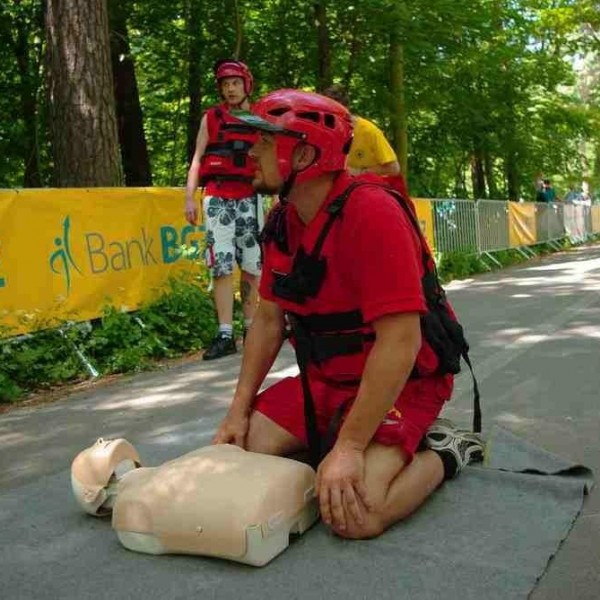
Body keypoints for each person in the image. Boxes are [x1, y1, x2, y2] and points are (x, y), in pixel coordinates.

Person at [212, 89, 483, 540]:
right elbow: (267, 321)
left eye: (263, 141)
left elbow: (400, 342)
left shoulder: (372, 212)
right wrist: (237, 411)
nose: (250, 151)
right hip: (326, 381)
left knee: (359, 514)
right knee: (237, 456)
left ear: (303, 153)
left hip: (404, 381)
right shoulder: (283, 221)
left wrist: (351, 447)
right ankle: (344, 449)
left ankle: (446, 450)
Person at [184, 59, 262, 360]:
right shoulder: (211, 118)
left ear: (246, 85)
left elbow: (272, 160)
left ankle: (252, 329)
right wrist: (190, 197)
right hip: (217, 197)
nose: (230, 89)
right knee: (221, 266)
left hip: (250, 197)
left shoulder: (259, 117)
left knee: (253, 266)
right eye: (226, 84)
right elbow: (197, 159)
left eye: (236, 83)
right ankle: (225, 333)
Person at [322, 84, 400, 177]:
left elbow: (394, 168)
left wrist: (359, 172)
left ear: (346, 109)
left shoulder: (369, 131)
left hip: (372, 186)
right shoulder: (326, 130)